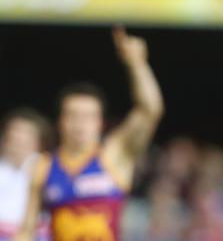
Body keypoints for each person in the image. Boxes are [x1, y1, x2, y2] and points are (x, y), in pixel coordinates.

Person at [14, 27, 164, 241]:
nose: (80, 124)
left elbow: (150, 111)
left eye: (88, 117)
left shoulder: (114, 156)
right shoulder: (43, 168)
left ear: (100, 123)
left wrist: (137, 64)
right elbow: (27, 230)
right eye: (73, 116)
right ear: (61, 122)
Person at [0, 108, 51, 241]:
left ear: (38, 142)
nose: (19, 138)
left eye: (26, 134)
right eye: (15, 132)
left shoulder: (46, 165)